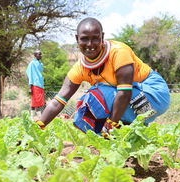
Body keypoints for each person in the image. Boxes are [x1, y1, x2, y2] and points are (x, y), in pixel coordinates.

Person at [36, 17, 170, 138]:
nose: (90, 44)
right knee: (86, 106)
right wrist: (37, 127)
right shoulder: (80, 68)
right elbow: (58, 101)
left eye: (95, 38)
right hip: (133, 99)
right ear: (77, 39)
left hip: (154, 93)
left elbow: (124, 92)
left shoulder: (118, 52)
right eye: (84, 39)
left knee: (95, 96)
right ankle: (131, 135)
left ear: (102, 37)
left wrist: (111, 124)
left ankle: (115, 130)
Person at [26, 50, 45, 120]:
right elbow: (29, 75)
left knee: (34, 102)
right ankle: (40, 118)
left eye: (41, 54)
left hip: (40, 84)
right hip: (34, 84)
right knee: (37, 102)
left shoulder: (39, 63)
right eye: (39, 54)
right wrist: (29, 87)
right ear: (35, 55)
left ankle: (31, 118)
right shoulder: (32, 64)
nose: (41, 55)